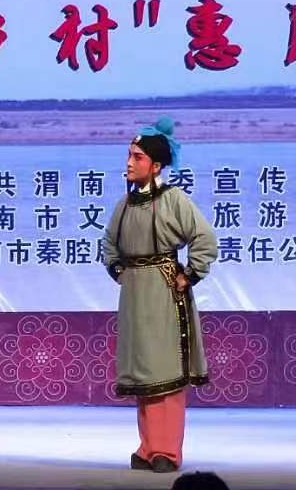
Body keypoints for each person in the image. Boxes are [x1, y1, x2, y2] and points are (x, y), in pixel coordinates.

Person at [102, 116, 217, 473]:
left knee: (164, 369)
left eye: (137, 157)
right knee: (142, 370)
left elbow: (204, 238)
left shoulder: (173, 199)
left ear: (155, 165)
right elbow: (109, 243)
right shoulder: (124, 204)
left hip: (164, 290)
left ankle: (166, 449)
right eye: (129, 155)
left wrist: (189, 274)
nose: (129, 163)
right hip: (135, 294)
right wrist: (119, 270)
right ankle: (148, 446)